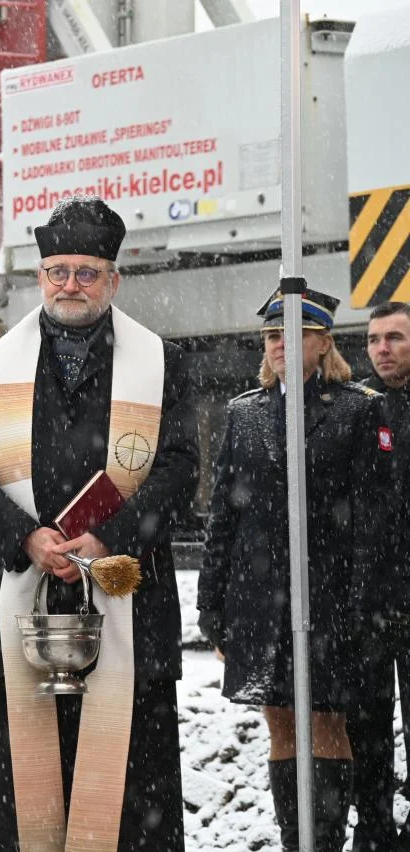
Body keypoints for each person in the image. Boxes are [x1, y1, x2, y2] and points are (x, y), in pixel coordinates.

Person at [0, 196, 198, 851]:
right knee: (25, 787)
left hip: (127, 599)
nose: (70, 285)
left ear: (114, 280)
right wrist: (22, 536)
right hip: (26, 599)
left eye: (87, 272)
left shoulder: (160, 363)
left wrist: (112, 534)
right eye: (57, 270)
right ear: (39, 277)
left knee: (131, 791)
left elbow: (177, 469)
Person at [198, 287, 397, 851]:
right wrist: (211, 605)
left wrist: (363, 608)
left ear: (322, 342)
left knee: (327, 722)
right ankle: (296, 839)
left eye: (292, 334)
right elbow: (224, 517)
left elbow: (372, 523)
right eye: (270, 335)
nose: (278, 344)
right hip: (258, 600)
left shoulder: (359, 408)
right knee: (280, 721)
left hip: (332, 600)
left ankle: (327, 839)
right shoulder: (244, 412)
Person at [347, 301, 410, 850]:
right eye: (373, 340)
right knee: (366, 729)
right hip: (368, 601)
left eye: (395, 338)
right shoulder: (360, 409)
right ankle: (374, 831)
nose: (382, 349)